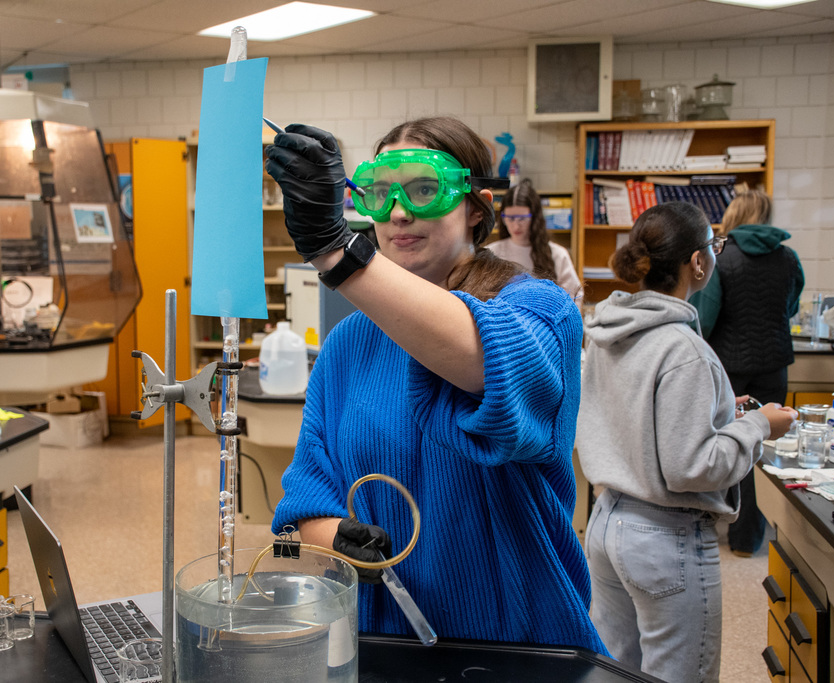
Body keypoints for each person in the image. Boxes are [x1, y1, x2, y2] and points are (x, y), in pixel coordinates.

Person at [264, 116, 606, 652]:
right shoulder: (348, 343)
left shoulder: (541, 310)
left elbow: (487, 365)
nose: (399, 212)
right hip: (387, 641)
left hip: (520, 646)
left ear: (476, 207)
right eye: (380, 193)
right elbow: (302, 513)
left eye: (424, 189)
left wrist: (337, 253)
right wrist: (339, 538)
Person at [576, 201, 797, 683]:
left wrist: (719, 411)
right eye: (714, 247)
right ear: (698, 263)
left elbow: (632, 414)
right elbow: (691, 467)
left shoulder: (611, 330)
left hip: (607, 522)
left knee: (616, 671)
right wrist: (759, 426)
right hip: (664, 537)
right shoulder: (683, 348)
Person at [689, 189, 804, 557]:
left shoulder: (721, 259)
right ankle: (758, 534)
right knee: (766, 446)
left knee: (732, 445)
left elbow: (704, 319)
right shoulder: (788, 257)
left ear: (734, 216)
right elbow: (791, 306)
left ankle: (734, 532)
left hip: (730, 368)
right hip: (774, 365)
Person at [487, 179, 582, 304]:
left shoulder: (557, 254)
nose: (515, 226)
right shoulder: (492, 253)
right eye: (510, 218)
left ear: (535, 217)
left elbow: (575, 296)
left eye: (522, 218)